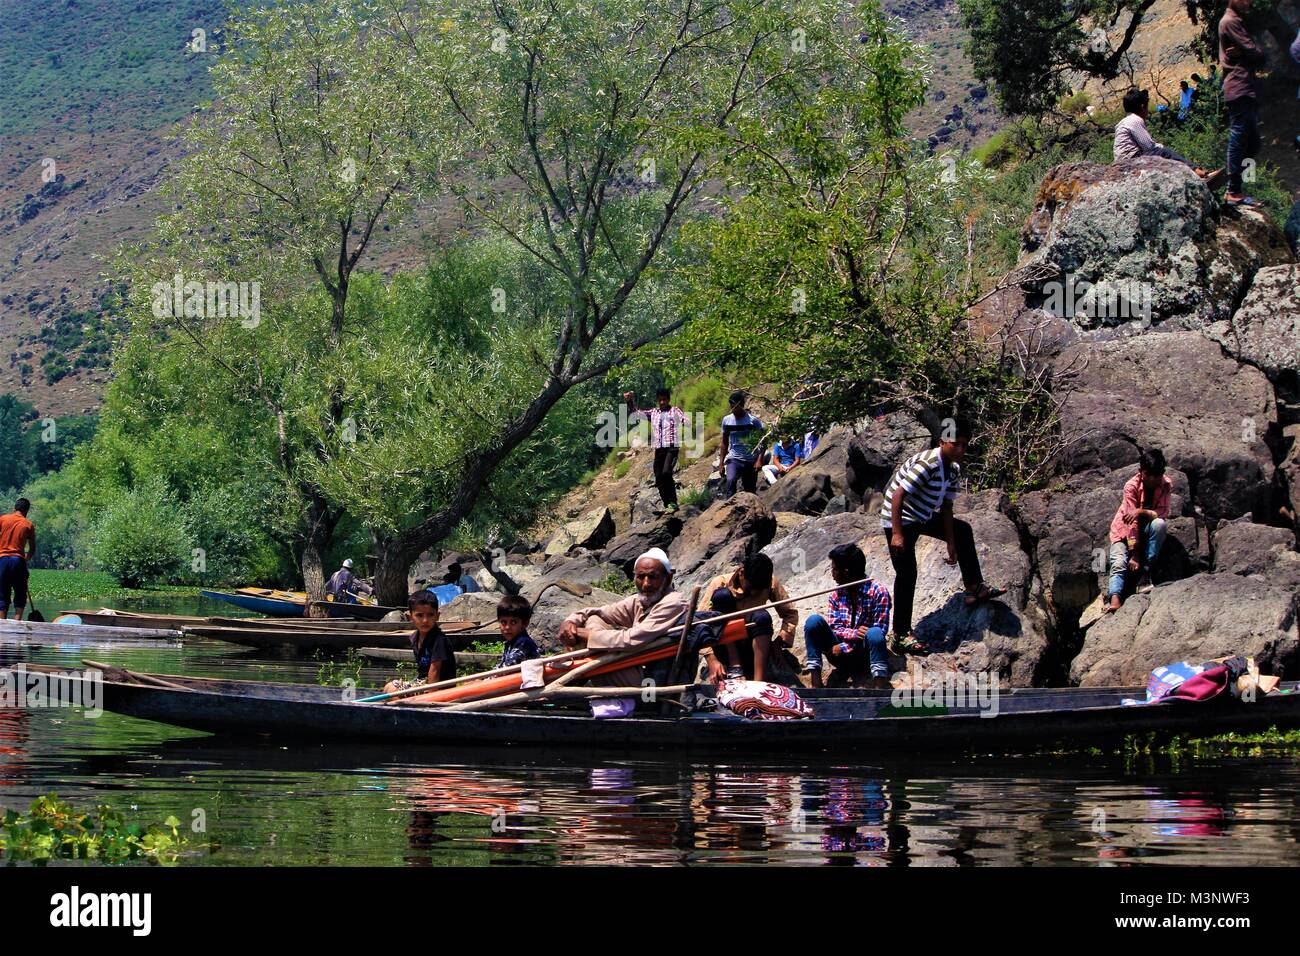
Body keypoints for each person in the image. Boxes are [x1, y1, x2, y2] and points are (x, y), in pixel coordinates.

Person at [881, 419, 1004, 652]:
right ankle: (900, 634)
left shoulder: (953, 470)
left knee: (963, 530)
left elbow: (946, 508)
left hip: (922, 515)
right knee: (907, 573)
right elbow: (897, 495)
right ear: (942, 442)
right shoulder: (928, 463)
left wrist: (951, 543)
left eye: (964, 445)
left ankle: (974, 587)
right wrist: (897, 534)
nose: (960, 450)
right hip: (900, 516)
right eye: (955, 444)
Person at [558, 548, 689, 689]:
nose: (646, 584)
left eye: (652, 577)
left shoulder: (673, 603)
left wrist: (584, 634)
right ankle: (575, 672)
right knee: (595, 619)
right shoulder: (641, 600)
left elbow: (631, 639)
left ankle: (569, 678)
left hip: (652, 682)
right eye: (641, 577)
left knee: (591, 655)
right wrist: (571, 621)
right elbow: (601, 612)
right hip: (634, 666)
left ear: (668, 578)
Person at [699, 552, 798, 683]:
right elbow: (700, 624)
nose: (753, 593)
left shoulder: (770, 583)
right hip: (725, 648)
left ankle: (759, 681)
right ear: (741, 573)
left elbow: (790, 613)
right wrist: (711, 659)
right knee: (721, 596)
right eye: (751, 588)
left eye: (758, 591)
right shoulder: (720, 583)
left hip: (752, 646)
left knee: (762, 616)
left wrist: (780, 641)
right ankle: (735, 666)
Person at [803, 544, 892, 689]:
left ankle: (879, 687)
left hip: (864, 656)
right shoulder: (837, 594)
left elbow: (880, 631)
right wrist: (855, 634)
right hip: (837, 653)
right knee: (813, 621)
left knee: (874, 632)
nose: (832, 573)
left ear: (846, 572)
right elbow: (835, 628)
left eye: (834, 569)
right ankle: (816, 683)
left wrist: (844, 646)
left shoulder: (879, 592)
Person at [1104, 448, 1172, 612]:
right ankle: (1115, 598)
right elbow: (1130, 522)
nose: (1156, 479)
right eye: (1152, 475)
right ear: (1142, 472)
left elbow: (1163, 513)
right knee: (1119, 561)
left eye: (1159, 474)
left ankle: (1146, 573)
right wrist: (1134, 554)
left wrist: (1141, 512)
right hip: (1124, 532)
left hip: (1148, 528)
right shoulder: (1131, 487)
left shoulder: (1166, 484)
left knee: (1160, 525)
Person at [1113, 88, 1219, 185]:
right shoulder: (1135, 120)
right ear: (1142, 107)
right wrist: (1161, 146)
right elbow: (1148, 146)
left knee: (1161, 152)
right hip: (1132, 158)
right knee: (1165, 152)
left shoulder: (1123, 122)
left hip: (1121, 160)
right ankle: (1199, 173)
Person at [1219, 0, 1268, 206]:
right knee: (1239, 139)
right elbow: (1257, 54)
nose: (1248, 2)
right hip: (1238, 87)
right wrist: (1252, 51)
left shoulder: (1237, 21)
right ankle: (1233, 190)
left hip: (1245, 87)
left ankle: (1241, 187)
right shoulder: (1230, 22)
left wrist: (1250, 52)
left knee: (1252, 142)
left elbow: (1254, 54)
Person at [382, 591, 465, 693]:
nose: (425, 620)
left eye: (430, 615)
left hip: (439, 689)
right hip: (422, 683)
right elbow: (423, 672)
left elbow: (434, 671)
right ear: (410, 617)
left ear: (437, 616)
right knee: (388, 687)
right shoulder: (414, 638)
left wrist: (429, 699)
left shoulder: (439, 640)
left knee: (393, 691)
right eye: (420, 615)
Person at [624, 387, 690, 511]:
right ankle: (667, 504)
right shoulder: (653, 413)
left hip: (672, 448)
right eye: (660, 400)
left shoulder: (675, 411)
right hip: (659, 449)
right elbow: (636, 413)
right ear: (657, 400)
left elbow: (684, 419)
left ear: (669, 400)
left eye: (664, 400)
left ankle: (673, 502)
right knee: (658, 476)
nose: (662, 402)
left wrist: (686, 422)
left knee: (666, 473)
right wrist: (629, 401)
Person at [719, 391, 764, 498]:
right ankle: (728, 509)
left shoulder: (753, 421)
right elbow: (724, 442)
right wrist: (721, 463)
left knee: (750, 491)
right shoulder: (727, 420)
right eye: (731, 407)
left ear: (742, 406)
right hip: (734, 458)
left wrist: (759, 460)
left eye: (735, 407)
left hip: (750, 459)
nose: (732, 410)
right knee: (730, 481)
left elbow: (763, 440)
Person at [0, 498, 35, 621]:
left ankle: (2, 623)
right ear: (26, 511)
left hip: (2, 559)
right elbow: (32, 548)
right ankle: (17, 621)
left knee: (2, 593)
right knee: (20, 593)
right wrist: (25, 560)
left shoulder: (3, 519)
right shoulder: (28, 524)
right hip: (18, 560)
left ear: (14, 509)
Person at [495, 593, 540, 667]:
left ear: (525, 623)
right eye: (503, 622)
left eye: (513, 622)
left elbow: (508, 669)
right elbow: (501, 666)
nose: (507, 627)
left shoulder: (524, 643)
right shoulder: (511, 643)